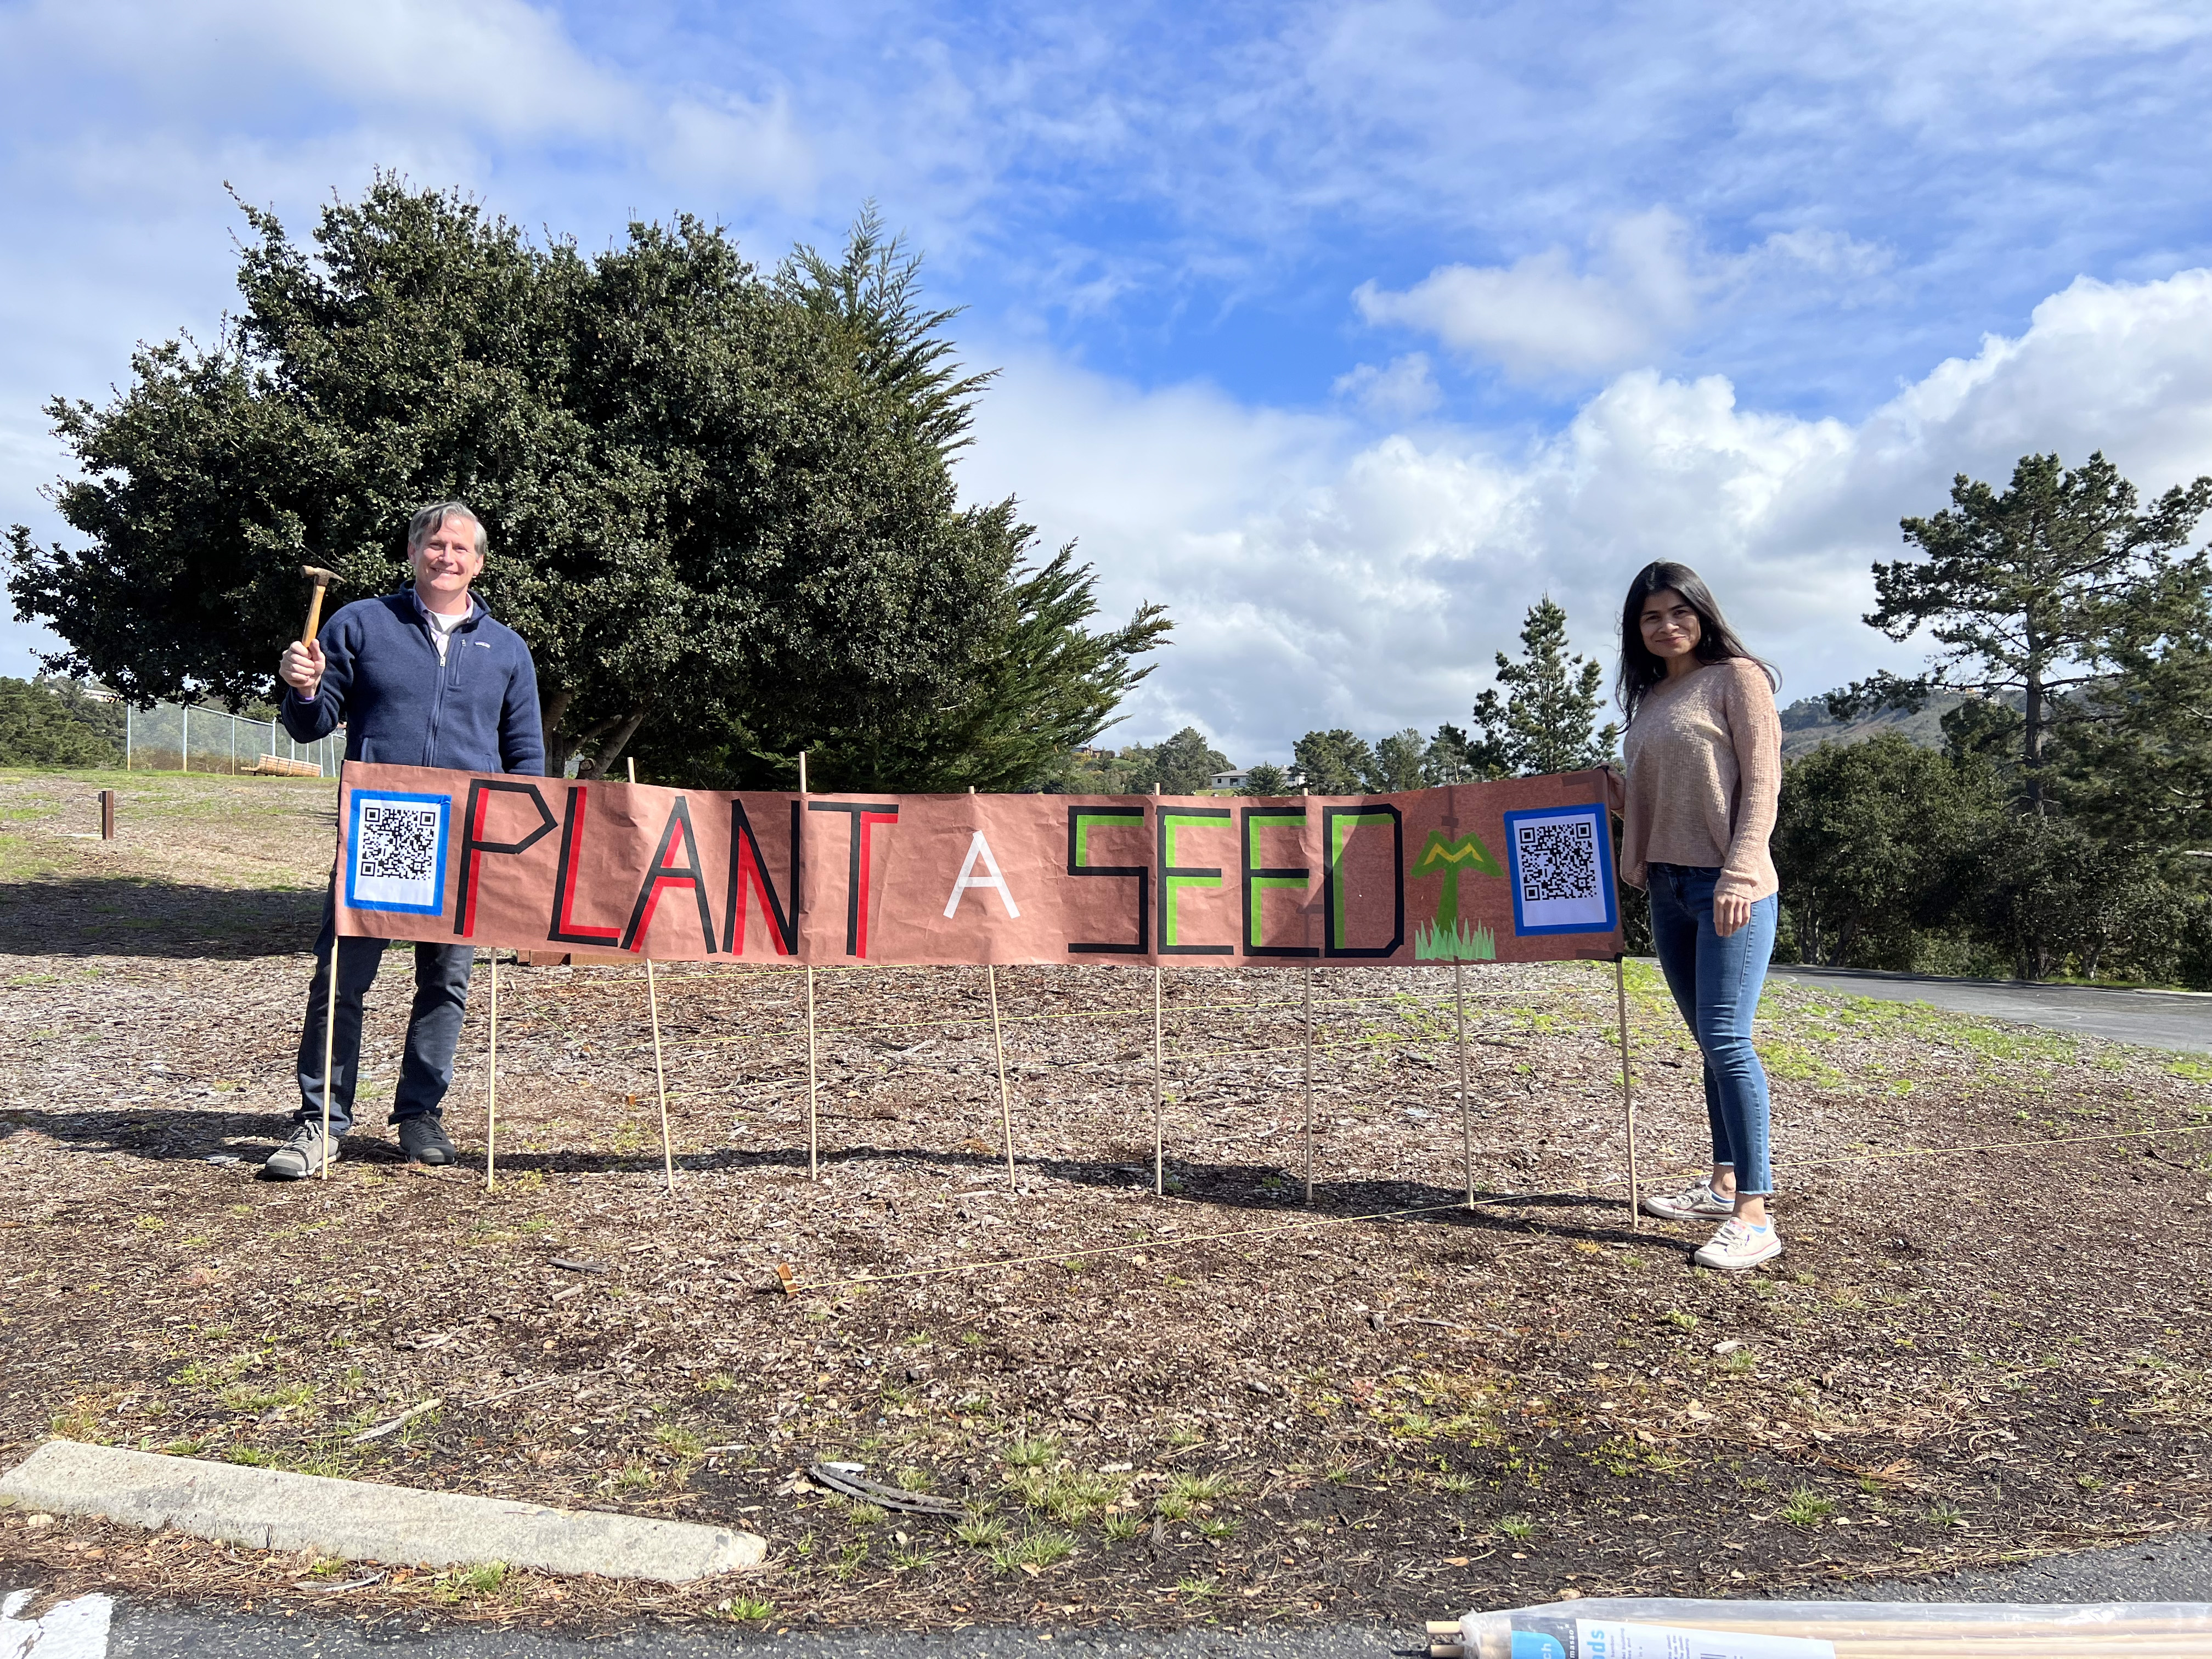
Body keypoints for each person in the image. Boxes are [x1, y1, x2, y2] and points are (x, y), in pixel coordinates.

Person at [262, 501, 544, 1180]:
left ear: (479, 562)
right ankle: (320, 1123)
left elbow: (526, 753)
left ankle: (420, 1115)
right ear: (414, 552)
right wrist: (300, 688)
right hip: (383, 827)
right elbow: (311, 724)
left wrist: (515, 837)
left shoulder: (506, 648)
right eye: (434, 544)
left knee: (445, 982)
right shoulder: (359, 623)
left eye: (461, 548)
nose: (447, 556)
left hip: (466, 836)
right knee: (342, 982)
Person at [1615, 561, 1785, 1269]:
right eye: (1651, 617)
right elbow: (1655, 790)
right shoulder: (1653, 697)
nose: (1667, 626)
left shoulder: (1737, 677)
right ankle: (1721, 1184)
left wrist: (1742, 871)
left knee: (1726, 1039)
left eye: (1678, 612)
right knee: (1707, 1044)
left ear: (1703, 615)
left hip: (1729, 884)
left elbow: (1762, 780)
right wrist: (1623, 827)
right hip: (1669, 887)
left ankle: (1754, 1213)